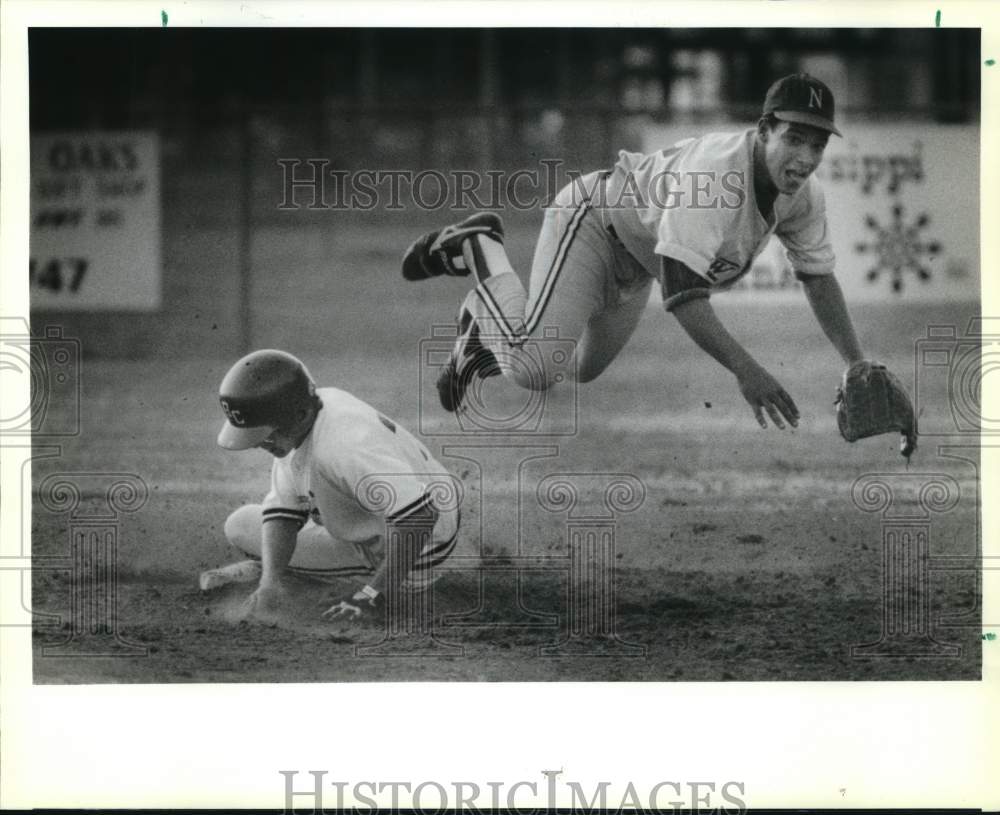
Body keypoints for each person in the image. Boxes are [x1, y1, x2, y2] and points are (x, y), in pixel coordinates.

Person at [402, 73, 864, 429]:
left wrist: (856, 363)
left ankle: (481, 339)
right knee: (535, 366)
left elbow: (818, 276)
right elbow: (684, 294)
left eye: (817, 144)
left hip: (638, 264)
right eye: (794, 138)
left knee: (581, 368)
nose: (805, 157)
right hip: (593, 225)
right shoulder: (715, 178)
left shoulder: (803, 193)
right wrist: (746, 370)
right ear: (765, 129)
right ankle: (480, 247)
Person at [204, 349, 460, 621]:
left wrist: (373, 594)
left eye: (265, 435)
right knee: (241, 524)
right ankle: (275, 577)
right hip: (382, 525)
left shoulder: (345, 444)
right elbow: (284, 512)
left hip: (419, 549)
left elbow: (420, 516)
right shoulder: (304, 414)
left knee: (288, 542)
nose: (257, 443)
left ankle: (339, 582)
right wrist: (270, 583)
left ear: (301, 415)